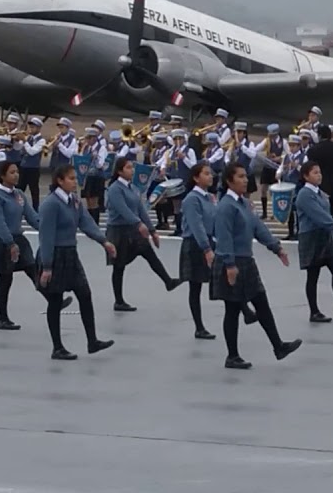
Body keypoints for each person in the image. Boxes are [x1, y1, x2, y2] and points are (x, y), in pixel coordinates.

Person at [210, 162, 303, 369]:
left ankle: (278, 346)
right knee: (232, 310)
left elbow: (257, 227)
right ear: (229, 181)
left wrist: (276, 247)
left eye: (246, 176)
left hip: (246, 261)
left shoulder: (242, 204)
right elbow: (223, 237)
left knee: (261, 303)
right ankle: (232, 355)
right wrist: (229, 264)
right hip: (233, 261)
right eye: (241, 176)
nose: (246, 180)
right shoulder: (226, 206)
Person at [37, 164, 117, 360]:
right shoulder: (51, 204)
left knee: (85, 294)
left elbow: (86, 222)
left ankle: (92, 341)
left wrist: (104, 241)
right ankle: (57, 347)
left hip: (71, 254)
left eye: (75, 178)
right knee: (55, 301)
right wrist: (46, 266)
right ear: (60, 181)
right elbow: (45, 236)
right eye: (71, 178)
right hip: (55, 254)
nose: (75, 182)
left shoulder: (74, 201)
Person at [104, 157, 182, 313]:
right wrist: (138, 224)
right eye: (128, 168)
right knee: (119, 266)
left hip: (133, 230)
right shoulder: (114, 189)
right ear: (120, 171)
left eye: (132, 168)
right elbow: (122, 209)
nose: (131, 170)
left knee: (149, 253)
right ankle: (118, 300)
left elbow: (141, 209)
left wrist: (152, 230)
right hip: (119, 230)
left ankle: (168, 281)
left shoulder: (133, 188)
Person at [294, 160, 333, 322]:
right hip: (311, 236)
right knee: (313, 274)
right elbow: (318, 216)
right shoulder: (304, 195)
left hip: (325, 235)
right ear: (305, 176)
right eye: (315, 172)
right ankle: (314, 311)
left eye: (319, 172)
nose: (319, 175)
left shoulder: (319, 193)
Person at [0, 162, 39, 331]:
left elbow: (32, 216)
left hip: (19, 238)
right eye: (12, 172)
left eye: (17, 172)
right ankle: (3, 318)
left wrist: (47, 228)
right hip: (3, 241)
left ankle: (54, 301)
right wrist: (10, 243)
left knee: (34, 270)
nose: (16, 175)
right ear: (3, 176)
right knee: (6, 279)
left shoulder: (19, 194)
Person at [180, 162, 224, 340]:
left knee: (222, 278)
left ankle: (245, 310)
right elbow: (196, 225)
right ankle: (199, 326)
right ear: (196, 178)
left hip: (208, 242)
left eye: (211, 173)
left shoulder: (209, 198)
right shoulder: (192, 199)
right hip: (195, 244)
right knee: (196, 286)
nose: (210, 176)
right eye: (206, 174)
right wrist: (206, 248)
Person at [303, 124, 333, 243]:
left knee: (323, 214)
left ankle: (325, 240)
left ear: (318, 135)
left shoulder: (313, 150)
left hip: (322, 185)